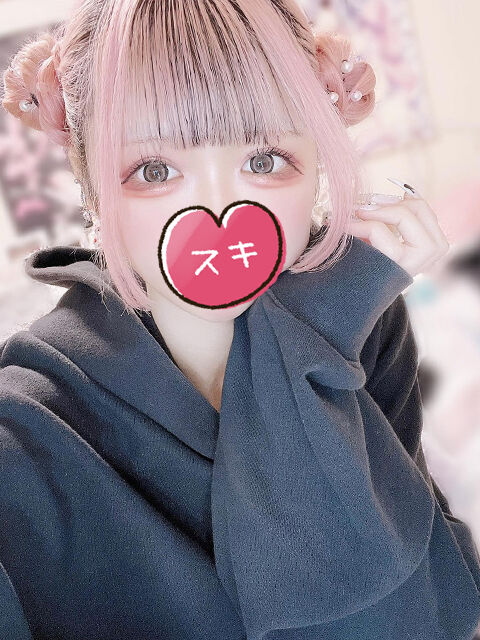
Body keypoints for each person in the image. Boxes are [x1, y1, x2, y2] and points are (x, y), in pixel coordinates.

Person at [1, 1, 479, 639]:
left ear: (316, 165)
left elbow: (427, 601)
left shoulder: (364, 318)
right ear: (93, 191)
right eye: (154, 171)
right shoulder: (24, 433)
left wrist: (322, 322)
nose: (219, 207)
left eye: (264, 161)